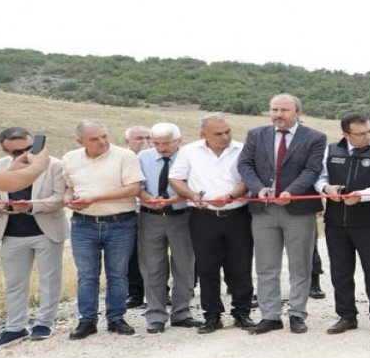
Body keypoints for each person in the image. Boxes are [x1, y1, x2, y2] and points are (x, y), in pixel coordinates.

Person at [237, 93, 328, 335]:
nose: (278, 114)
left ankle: (297, 313)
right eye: (274, 109)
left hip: (298, 209)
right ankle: (270, 316)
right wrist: (258, 189)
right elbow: (244, 164)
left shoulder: (315, 138)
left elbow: (312, 169)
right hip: (263, 211)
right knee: (266, 267)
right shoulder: (256, 134)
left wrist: (291, 191)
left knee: (300, 265)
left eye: (284, 110)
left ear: (298, 112)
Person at [168, 113, 256, 333]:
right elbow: (175, 178)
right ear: (203, 134)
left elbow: (248, 179)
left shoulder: (242, 149)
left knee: (240, 267)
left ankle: (242, 313)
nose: (224, 137)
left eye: (227, 131)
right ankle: (212, 316)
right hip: (203, 218)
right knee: (207, 268)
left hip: (238, 215)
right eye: (218, 133)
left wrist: (231, 196)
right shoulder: (189, 151)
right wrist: (191, 195)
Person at [316, 113, 370, 336]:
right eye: (361, 134)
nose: (367, 137)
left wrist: (362, 195)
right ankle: (346, 316)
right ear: (345, 134)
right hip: (336, 222)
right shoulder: (331, 150)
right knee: (340, 271)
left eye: (369, 131)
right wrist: (326, 189)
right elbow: (319, 176)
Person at [63, 120, 145, 339]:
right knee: (87, 276)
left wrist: (95, 197)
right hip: (83, 223)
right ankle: (87, 321)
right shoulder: (70, 158)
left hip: (120, 223)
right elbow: (69, 187)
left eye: (104, 136)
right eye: (94, 139)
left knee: (118, 274)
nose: (102, 142)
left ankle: (116, 318)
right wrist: (68, 200)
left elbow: (133, 188)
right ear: (80, 141)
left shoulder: (125, 156)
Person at [0, 128, 68, 347]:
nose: (24, 154)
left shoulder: (55, 165)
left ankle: (44, 323)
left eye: (28, 148)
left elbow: (60, 197)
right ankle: (15, 327)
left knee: (49, 280)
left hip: (46, 230)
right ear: (4, 150)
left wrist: (31, 206)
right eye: (16, 152)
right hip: (11, 232)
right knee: (14, 283)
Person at [136, 122, 201, 333]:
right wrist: (147, 198)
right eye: (156, 143)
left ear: (178, 141)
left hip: (182, 216)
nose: (161, 148)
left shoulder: (190, 156)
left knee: (184, 266)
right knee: (153, 267)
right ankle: (155, 315)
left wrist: (173, 199)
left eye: (166, 143)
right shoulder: (143, 158)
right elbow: (137, 185)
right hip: (151, 217)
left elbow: (195, 186)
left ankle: (181, 312)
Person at [123, 125, 151, 309]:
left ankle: (159, 292)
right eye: (139, 138)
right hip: (130, 211)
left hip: (152, 211)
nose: (144, 142)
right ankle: (135, 293)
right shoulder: (122, 159)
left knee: (155, 255)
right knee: (132, 255)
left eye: (147, 137)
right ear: (128, 141)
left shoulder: (153, 157)